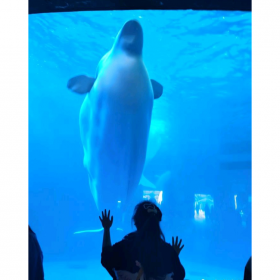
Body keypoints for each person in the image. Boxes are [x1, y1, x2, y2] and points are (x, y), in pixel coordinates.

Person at [100, 201, 185, 280]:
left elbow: (106, 258)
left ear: (135, 222)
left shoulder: (123, 248)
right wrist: (174, 256)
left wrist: (106, 229)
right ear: (157, 223)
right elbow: (179, 275)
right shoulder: (169, 252)